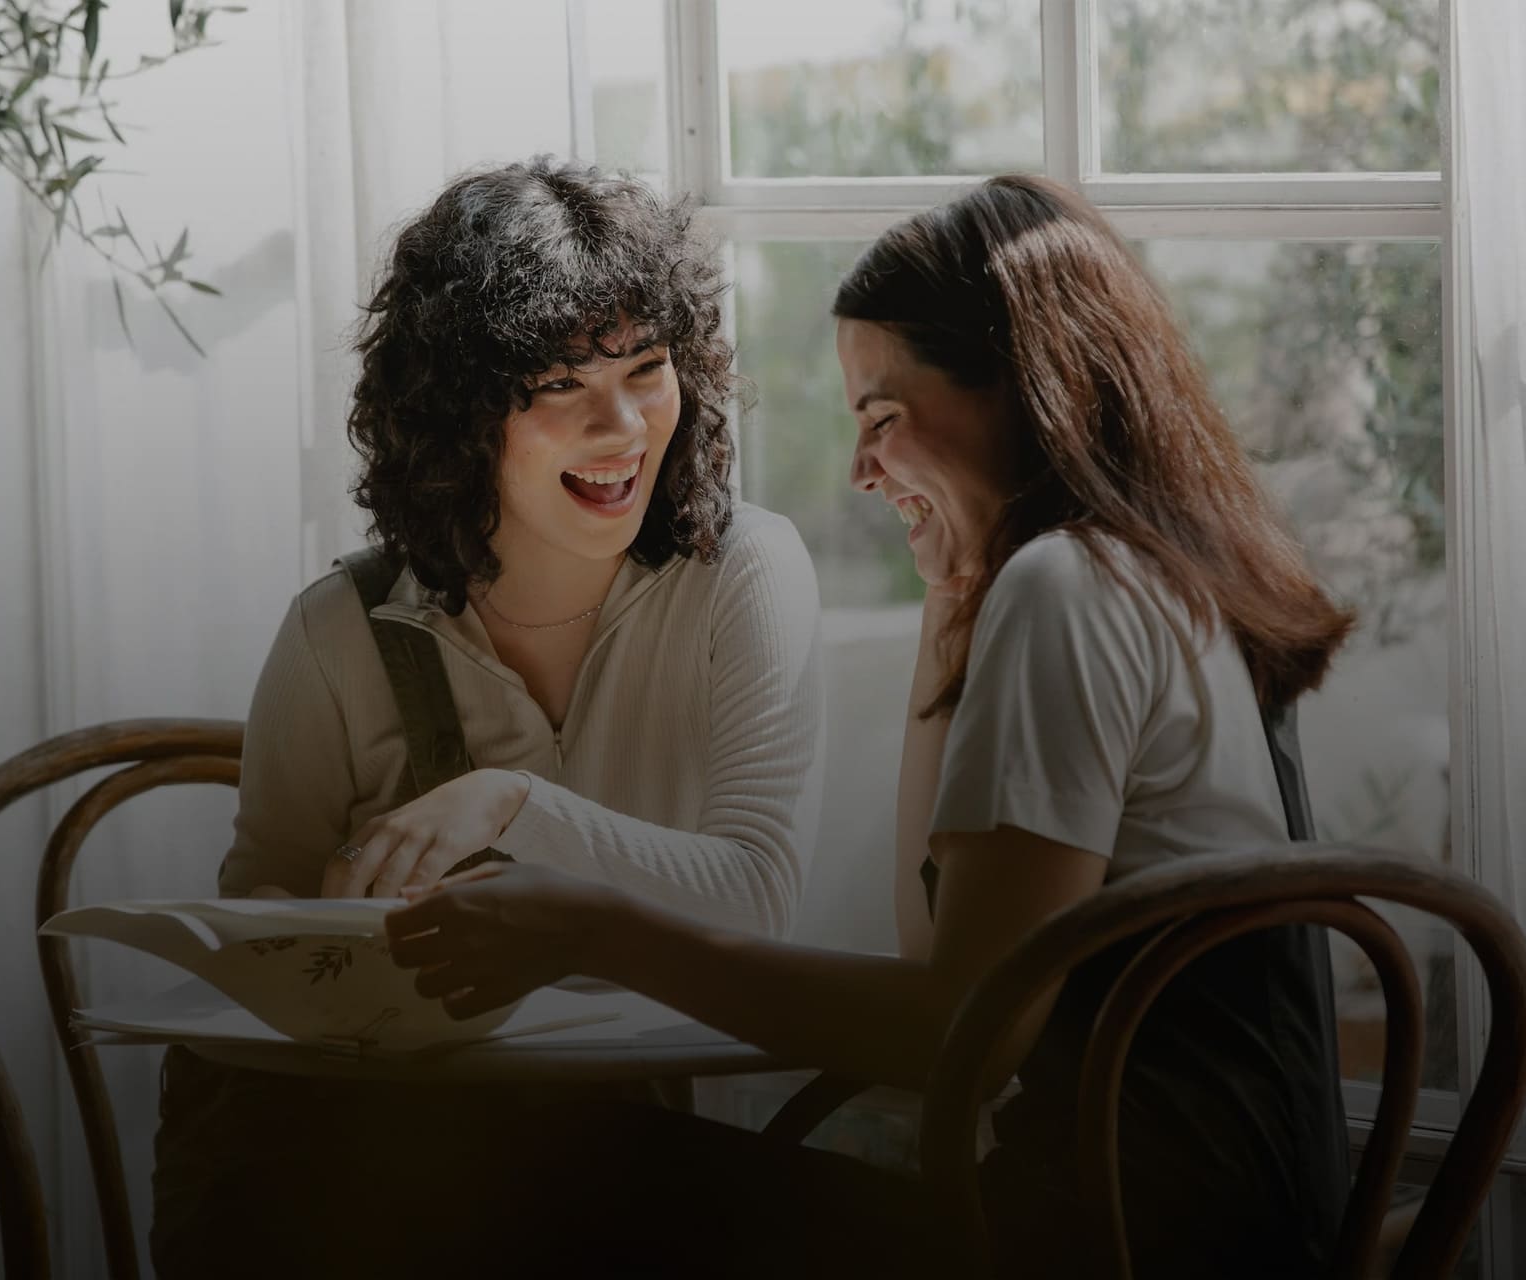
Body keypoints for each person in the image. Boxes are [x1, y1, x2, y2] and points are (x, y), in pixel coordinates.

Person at [384, 174, 1358, 1278]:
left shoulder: (1067, 589)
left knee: (535, 1176)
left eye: (882, 419)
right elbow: (933, 956)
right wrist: (950, 607)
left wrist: (590, 930)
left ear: (1021, 388)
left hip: (1116, 1239)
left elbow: (960, 1037)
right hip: (1236, 1221)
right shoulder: (1144, 573)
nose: (858, 470)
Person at [148, 156, 825, 1278]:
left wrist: (509, 801)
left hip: (643, 1153)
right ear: (460, 415)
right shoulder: (339, 629)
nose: (623, 429)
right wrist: (323, 931)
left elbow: (761, 897)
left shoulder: (745, 572)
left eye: (648, 370)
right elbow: (261, 903)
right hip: (380, 1162)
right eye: (560, 386)